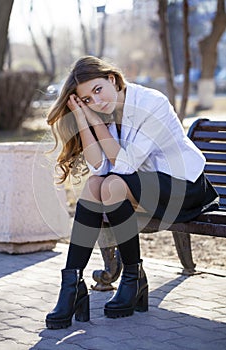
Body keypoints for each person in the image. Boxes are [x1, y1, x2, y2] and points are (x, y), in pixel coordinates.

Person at [45, 55, 219, 329]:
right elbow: (100, 166)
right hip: (146, 187)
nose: (97, 101)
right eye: (87, 99)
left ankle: (132, 277)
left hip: (185, 188)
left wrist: (95, 120)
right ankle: (71, 284)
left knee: (113, 185)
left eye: (98, 90)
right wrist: (82, 118)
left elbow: (124, 166)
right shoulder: (107, 111)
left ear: (112, 79)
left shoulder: (151, 103)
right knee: (94, 185)